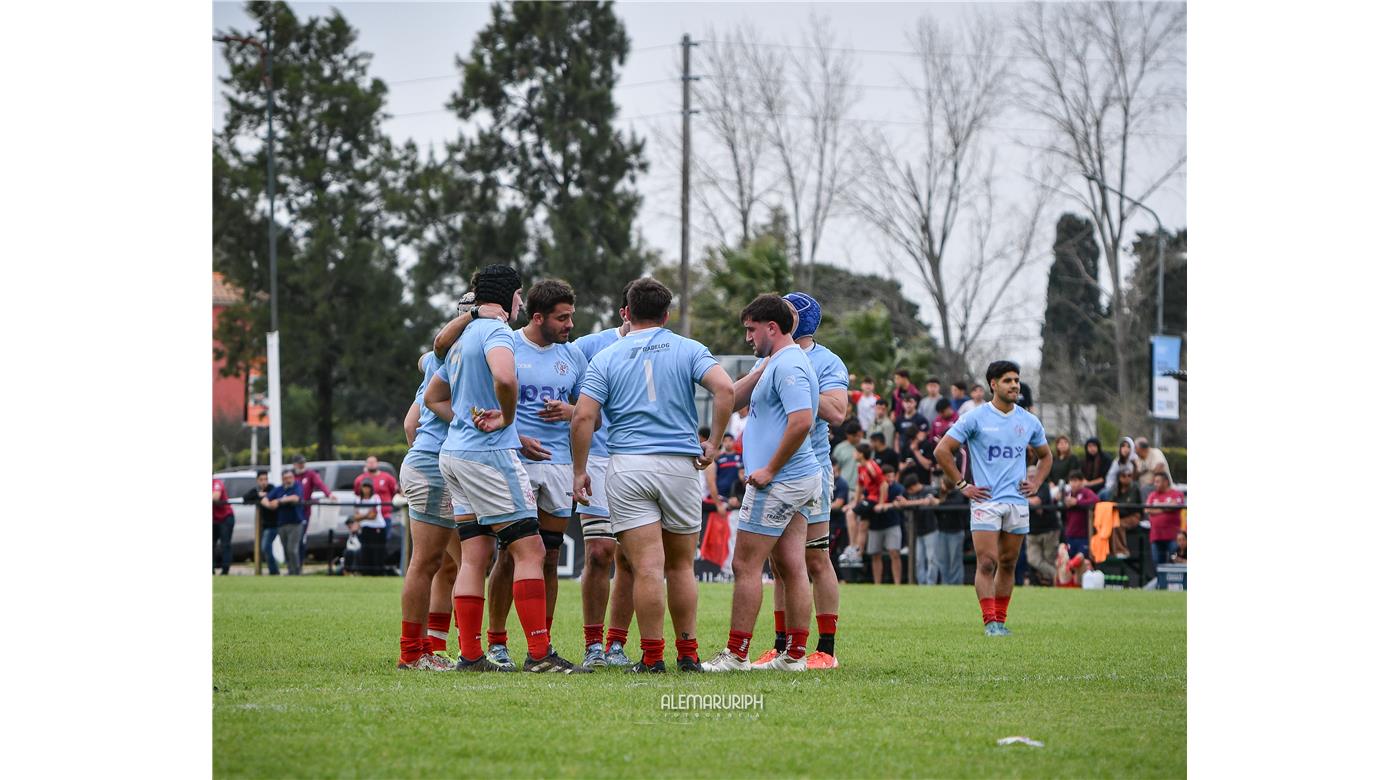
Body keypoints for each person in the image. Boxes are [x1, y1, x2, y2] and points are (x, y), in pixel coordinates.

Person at [423, 263, 586, 674]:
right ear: (512, 298)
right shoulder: (496, 332)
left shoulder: (462, 335)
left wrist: (464, 416)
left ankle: (471, 655)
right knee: (530, 550)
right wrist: (506, 421)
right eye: (518, 297)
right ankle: (538, 655)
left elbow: (433, 397)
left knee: (475, 555)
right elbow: (505, 379)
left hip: (455, 454)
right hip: (488, 456)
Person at [571, 277, 735, 673]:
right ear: (666, 314)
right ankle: (689, 653)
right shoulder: (688, 348)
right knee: (679, 566)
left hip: (629, 465)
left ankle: (651, 656)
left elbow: (583, 417)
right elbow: (726, 390)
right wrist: (713, 442)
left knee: (645, 566)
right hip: (679, 465)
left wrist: (579, 471)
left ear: (626, 313)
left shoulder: (606, 356)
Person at [473, 280, 592, 668]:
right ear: (538, 317)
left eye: (571, 316)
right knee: (510, 554)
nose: (569, 324)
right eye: (562, 317)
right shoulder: (505, 346)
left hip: (558, 466)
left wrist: (572, 412)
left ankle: (541, 644)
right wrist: (516, 436)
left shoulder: (573, 357)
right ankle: (497, 643)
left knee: (550, 556)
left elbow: (595, 414)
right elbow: (481, 410)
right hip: (514, 462)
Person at [701, 294, 821, 673]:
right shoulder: (777, 362)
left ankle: (736, 654)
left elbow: (802, 421)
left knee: (745, 564)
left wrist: (769, 468)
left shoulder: (788, 366)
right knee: (790, 565)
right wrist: (757, 370)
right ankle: (795, 656)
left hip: (781, 480)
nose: (748, 338)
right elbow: (730, 396)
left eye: (751, 330)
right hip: (797, 478)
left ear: (772, 327)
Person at [744, 291, 848, 670]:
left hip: (811, 468)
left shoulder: (824, 361)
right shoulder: (773, 357)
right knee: (780, 562)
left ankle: (826, 649)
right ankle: (782, 646)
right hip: (775, 470)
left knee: (815, 558)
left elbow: (837, 412)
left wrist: (799, 381)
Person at [934, 360, 1052, 637]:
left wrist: (1036, 482)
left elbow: (1046, 456)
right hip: (985, 500)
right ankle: (989, 623)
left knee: (1009, 563)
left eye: (1016, 380)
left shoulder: (1028, 420)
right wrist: (963, 484)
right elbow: (943, 450)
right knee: (987, 562)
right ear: (993, 384)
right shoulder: (975, 418)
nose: (1014, 385)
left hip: (1017, 501)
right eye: (1008, 380)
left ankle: (1001, 621)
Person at [572, 289, 640, 669]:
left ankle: (617, 645)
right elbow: (566, 392)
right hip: (598, 458)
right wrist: (573, 409)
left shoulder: (663, 348)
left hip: (639, 460)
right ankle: (593, 645)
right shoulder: (589, 346)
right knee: (599, 553)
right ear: (624, 312)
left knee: (630, 558)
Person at [841, 442, 884, 566]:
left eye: (855, 452)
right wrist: (854, 502)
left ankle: (853, 546)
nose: (853, 454)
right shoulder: (861, 467)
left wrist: (880, 503)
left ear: (861, 454)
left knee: (850, 514)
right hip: (868, 498)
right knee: (863, 526)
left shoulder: (871, 466)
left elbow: (883, 484)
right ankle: (858, 555)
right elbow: (859, 486)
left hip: (873, 499)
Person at [864, 462, 905, 585]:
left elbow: (900, 502)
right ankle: (877, 584)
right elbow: (866, 500)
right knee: (875, 555)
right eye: (888, 476)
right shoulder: (872, 486)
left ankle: (897, 583)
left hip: (892, 524)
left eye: (893, 476)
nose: (891, 479)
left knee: (894, 553)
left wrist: (886, 506)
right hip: (875, 525)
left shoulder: (898, 488)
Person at [289, 455, 331, 568]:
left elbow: (320, 484)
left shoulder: (310, 474)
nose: (302, 465)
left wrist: (329, 494)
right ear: (294, 464)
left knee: (301, 538)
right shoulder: (290, 475)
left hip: (304, 512)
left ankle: (299, 564)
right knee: (290, 540)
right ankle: (291, 564)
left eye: (303, 463)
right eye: (299, 463)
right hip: (291, 511)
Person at [900, 473, 940, 585]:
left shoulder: (928, 489)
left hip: (931, 529)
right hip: (918, 531)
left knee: (932, 559)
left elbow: (927, 501)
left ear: (913, 487)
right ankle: (921, 583)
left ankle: (930, 584)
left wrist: (907, 503)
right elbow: (900, 501)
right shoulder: (907, 493)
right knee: (918, 560)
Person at [352, 456, 401, 544]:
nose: (371, 464)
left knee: (384, 543)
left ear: (377, 463)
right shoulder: (359, 479)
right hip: (366, 520)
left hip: (384, 517)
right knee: (366, 544)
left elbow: (395, 492)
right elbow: (357, 498)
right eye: (369, 462)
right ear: (366, 464)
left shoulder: (387, 478)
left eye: (373, 462)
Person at [931, 474, 970, 585]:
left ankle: (956, 584)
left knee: (955, 561)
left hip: (955, 532)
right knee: (942, 561)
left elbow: (957, 504)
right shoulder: (941, 494)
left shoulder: (958, 494)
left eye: (943, 482)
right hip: (942, 531)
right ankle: (945, 583)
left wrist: (940, 503)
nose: (941, 485)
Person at [265, 470, 305, 575]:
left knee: (292, 549)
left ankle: (297, 571)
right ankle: (290, 571)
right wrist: (269, 505)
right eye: (286, 478)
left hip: (296, 523)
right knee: (286, 549)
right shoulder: (279, 489)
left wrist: (279, 501)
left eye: (290, 477)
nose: (288, 480)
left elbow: (295, 498)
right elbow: (266, 499)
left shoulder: (297, 487)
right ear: (283, 479)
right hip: (282, 523)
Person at [1024, 466, 1058, 586]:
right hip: (1031, 531)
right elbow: (1033, 503)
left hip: (1049, 530)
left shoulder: (1043, 486)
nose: (1032, 476)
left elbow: (1037, 502)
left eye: (1034, 474)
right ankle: (1059, 576)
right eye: (1030, 474)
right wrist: (1031, 501)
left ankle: (1053, 584)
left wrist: (1024, 499)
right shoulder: (1022, 486)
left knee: (1050, 559)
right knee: (1033, 560)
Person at [1144, 472, 1186, 565]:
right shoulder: (1152, 495)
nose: (1155, 484)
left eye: (1158, 481)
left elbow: (1175, 506)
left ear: (1166, 482)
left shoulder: (1176, 494)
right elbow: (1147, 510)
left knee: (1176, 562)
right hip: (1156, 536)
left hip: (1173, 537)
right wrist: (1166, 508)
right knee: (1157, 563)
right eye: (1154, 482)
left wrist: (1157, 507)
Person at [242, 471, 279, 576]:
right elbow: (245, 498)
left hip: (273, 525)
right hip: (263, 525)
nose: (264, 482)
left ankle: (274, 571)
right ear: (257, 480)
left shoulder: (272, 488)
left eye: (265, 479)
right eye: (261, 480)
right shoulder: (257, 490)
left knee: (265, 547)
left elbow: (271, 496)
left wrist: (262, 496)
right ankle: (273, 569)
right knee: (265, 548)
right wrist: (258, 494)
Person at [349, 480, 388, 575]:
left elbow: (373, 515)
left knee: (377, 552)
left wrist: (362, 517)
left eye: (368, 487)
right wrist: (366, 515)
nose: (366, 490)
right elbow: (355, 516)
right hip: (365, 529)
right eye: (364, 487)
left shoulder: (375, 498)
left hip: (377, 528)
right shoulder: (358, 500)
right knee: (366, 551)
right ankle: (366, 572)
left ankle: (378, 573)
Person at [1060, 470, 1099, 559]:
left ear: (1082, 482)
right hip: (1070, 534)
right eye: (1071, 481)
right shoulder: (1067, 493)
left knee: (1081, 561)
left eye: (1076, 481)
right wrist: (1062, 501)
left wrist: (1077, 502)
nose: (1073, 484)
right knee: (1069, 561)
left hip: (1083, 536)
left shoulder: (1085, 492)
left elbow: (1096, 500)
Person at [213, 477, 235, 575]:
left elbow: (216, 497)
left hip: (225, 518)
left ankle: (225, 571)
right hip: (214, 519)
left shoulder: (216, 483)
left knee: (225, 545)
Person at [830, 422, 860, 490]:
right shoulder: (840, 448)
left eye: (858, 435)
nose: (857, 438)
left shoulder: (865, 446)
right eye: (854, 435)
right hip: (845, 487)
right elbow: (835, 467)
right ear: (848, 435)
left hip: (861, 488)